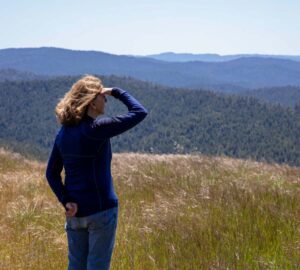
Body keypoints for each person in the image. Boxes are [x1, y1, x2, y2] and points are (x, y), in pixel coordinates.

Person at [45, 75, 148, 270]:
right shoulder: (97, 129)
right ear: (92, 102)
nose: (106, 99)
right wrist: (116, 91)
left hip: (74, 212)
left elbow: (51, 173)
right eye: (102, 96)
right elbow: (139, 111)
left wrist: (66, 200)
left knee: (75, 266)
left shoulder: (63, 133)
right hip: (101, 210)